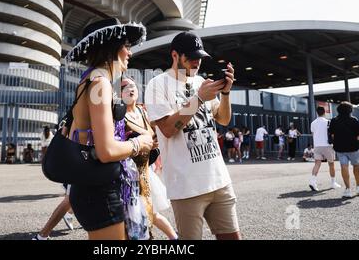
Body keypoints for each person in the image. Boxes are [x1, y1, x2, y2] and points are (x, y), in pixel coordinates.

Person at [144, 31, 240, 240]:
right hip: (186, 186)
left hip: (219, 179)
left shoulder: (201, 82)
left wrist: (225, 93)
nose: (197, 62)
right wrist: (198, 99)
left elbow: (223, 119)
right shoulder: (157, 85)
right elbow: (168, 130)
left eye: (200, 57)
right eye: (191, 57)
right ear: (175, 55)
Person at [65, 18, 153, 240]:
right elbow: (105, 151)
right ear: (112, 48)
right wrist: (140, 143)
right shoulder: (100, 84)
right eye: (126, 46)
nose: (130, 53)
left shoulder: (91, 79)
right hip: (98, 189)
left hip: (94, 185)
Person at [121, 77, 154, 236]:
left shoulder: (143, 111)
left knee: (148, 217)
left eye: (132, 85)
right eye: (124, 87)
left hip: (145, 172)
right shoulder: (117, 116)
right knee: (133, 227)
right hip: (127, 177)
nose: (130, 89)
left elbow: (154, 133)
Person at [329, 102, 359, 198]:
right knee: (356, 166)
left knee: (344, 167)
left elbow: (332, 135)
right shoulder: (354, 120)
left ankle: (348, 189)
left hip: (340, 148)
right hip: (353, 147)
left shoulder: (334, 120)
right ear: (350, 110)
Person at [308, 106, 341, 191]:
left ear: (317, 113)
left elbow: (313, 134)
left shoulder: (313, 123)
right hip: (327, 145)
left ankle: (312, 181)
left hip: (317, 145)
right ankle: (333, 183)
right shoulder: (328, 122)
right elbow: (332, 134)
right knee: (331, 164)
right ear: (324, 112)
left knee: (317, 164)